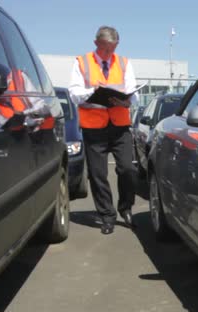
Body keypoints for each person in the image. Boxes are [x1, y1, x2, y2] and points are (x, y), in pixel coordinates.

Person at [69, 26, 138, 234]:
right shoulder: (81, 62)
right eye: (106, 49)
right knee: (98, 174)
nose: (109, 53)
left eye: (113, 49)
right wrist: (93, 92)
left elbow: (133, 94)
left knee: (128, 168)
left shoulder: (124, 63)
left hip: (119, 125)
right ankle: (107, 215)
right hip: (94, 128)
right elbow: (73, 93)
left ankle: (125, 207)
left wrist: (127, 101)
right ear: (96, 44)